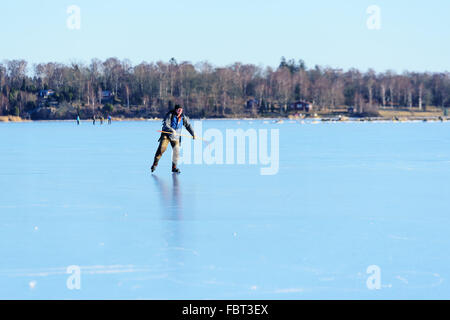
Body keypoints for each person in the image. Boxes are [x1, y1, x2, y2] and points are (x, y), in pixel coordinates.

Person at [151, 105, 195, 174]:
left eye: (181, 109)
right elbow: (166, 124)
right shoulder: (170, 115)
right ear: (175, 110)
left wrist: (193, 134)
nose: (180, 111)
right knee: (162, 148)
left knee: (176, 152)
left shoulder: (183, 117)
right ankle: (155, 164)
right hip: (167, 135)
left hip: (176, 137)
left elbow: (188, 126)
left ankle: (174, 167)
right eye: (178, 110)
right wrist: (172, 130)